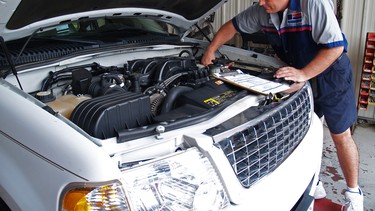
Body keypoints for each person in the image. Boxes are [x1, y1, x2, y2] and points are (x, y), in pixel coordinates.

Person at [201, 0, 363, 210]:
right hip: (299, 75)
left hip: (331, 73)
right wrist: (210, 50)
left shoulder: (313, 4)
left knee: (340, 134)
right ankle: (314, 180)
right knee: (303, 129)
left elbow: (335, 47)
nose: (261, 2)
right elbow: (231, 26)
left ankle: (353, 194)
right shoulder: (263, 10)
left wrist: (304, 73)